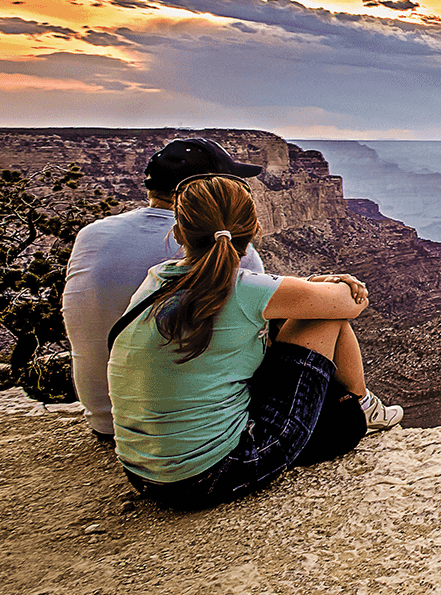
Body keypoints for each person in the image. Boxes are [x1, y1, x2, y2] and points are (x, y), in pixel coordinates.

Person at [108, 174, 402, 509]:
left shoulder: (156, 282)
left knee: (296, 316)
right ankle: (362, 406)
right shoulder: (247, 290)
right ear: (254, 231)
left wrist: (307, 289)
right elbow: (350, 303)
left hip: (142, 472)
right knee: (324, 316)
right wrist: (323, 286)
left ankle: (358, 408)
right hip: (210, 476)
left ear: (177, 232)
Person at [63, 137, 269, 441]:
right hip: (189, 434)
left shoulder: (90, 235)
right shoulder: (226, 247)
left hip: (108, 423)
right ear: (209, 190)